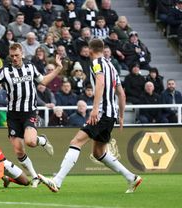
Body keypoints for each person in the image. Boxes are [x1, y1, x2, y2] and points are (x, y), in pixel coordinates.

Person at [38, 39, 142, 194]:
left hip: (101, 112)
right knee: (98, 152)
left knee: (76, 141)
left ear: (90, 49)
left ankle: (57, 181)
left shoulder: (97, 63)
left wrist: (94, 109)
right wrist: (120, 116)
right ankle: (131, 177)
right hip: (111, 114)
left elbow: (100, 83)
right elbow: (121, 93)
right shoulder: (112, 67)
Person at [0, 43, 63, 187]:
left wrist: (58, 68)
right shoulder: (4, 71)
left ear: (22, 54)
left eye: (17, 55)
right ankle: (35, 177)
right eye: (12, 56)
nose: (14, 58)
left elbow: (43, 81)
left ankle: (41, 140)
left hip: (29, 111)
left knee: (30, 142)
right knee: (19, 150)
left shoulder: (30, 67)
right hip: (13, 115)